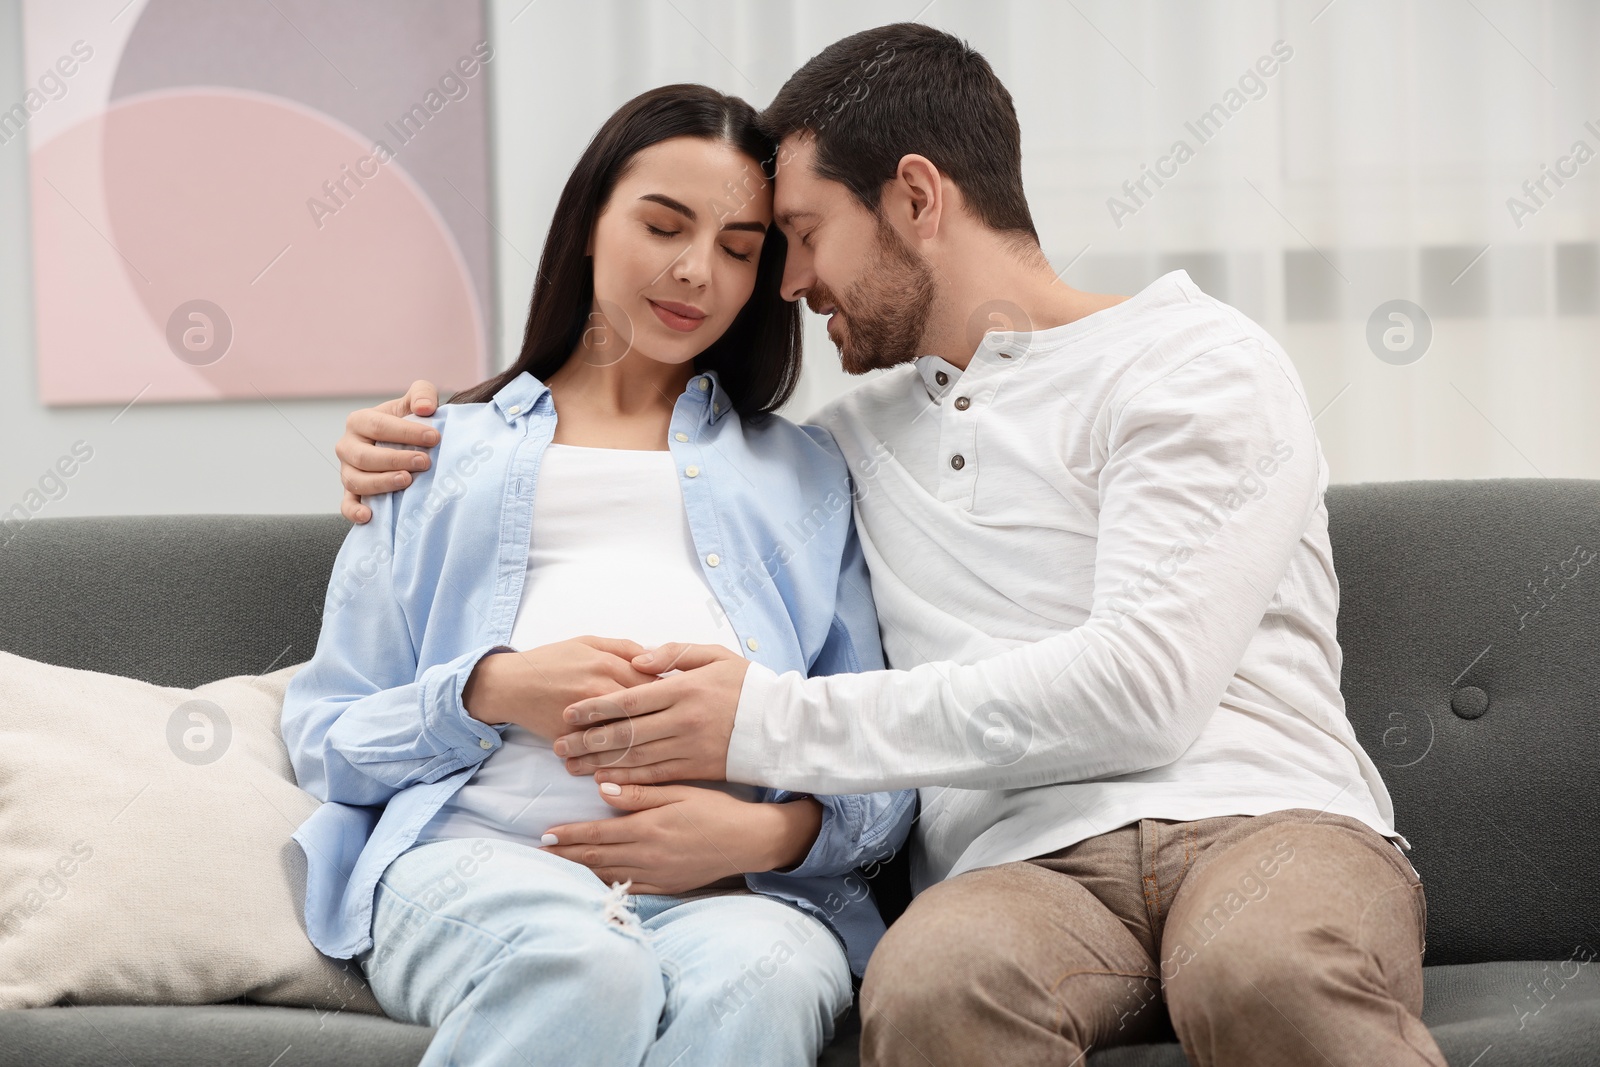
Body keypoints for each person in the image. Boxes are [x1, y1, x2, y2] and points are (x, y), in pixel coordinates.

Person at [334, 24, 1446, 1067]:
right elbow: (637, 472)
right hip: (1022, 866)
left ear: (915, 196)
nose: (782, 282)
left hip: (1257, 817)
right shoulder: (831, 453)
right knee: (925, 983)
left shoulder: (1193, 360)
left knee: (1259, 968)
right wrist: (416, 442)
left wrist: (761, 732)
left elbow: (1145, 687)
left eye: (797, 235)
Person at [282, 82, 914, 1067]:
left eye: (740, 249)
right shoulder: (430, 454)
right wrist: (490, 688)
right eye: (662, 224)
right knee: (584, 962)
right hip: (477, 863)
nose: (695, 270)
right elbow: (326, 737)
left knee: (772, 981)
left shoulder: (805, 474)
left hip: (732, 898)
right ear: (587, 223)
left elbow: (881, 756)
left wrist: (766, 838)